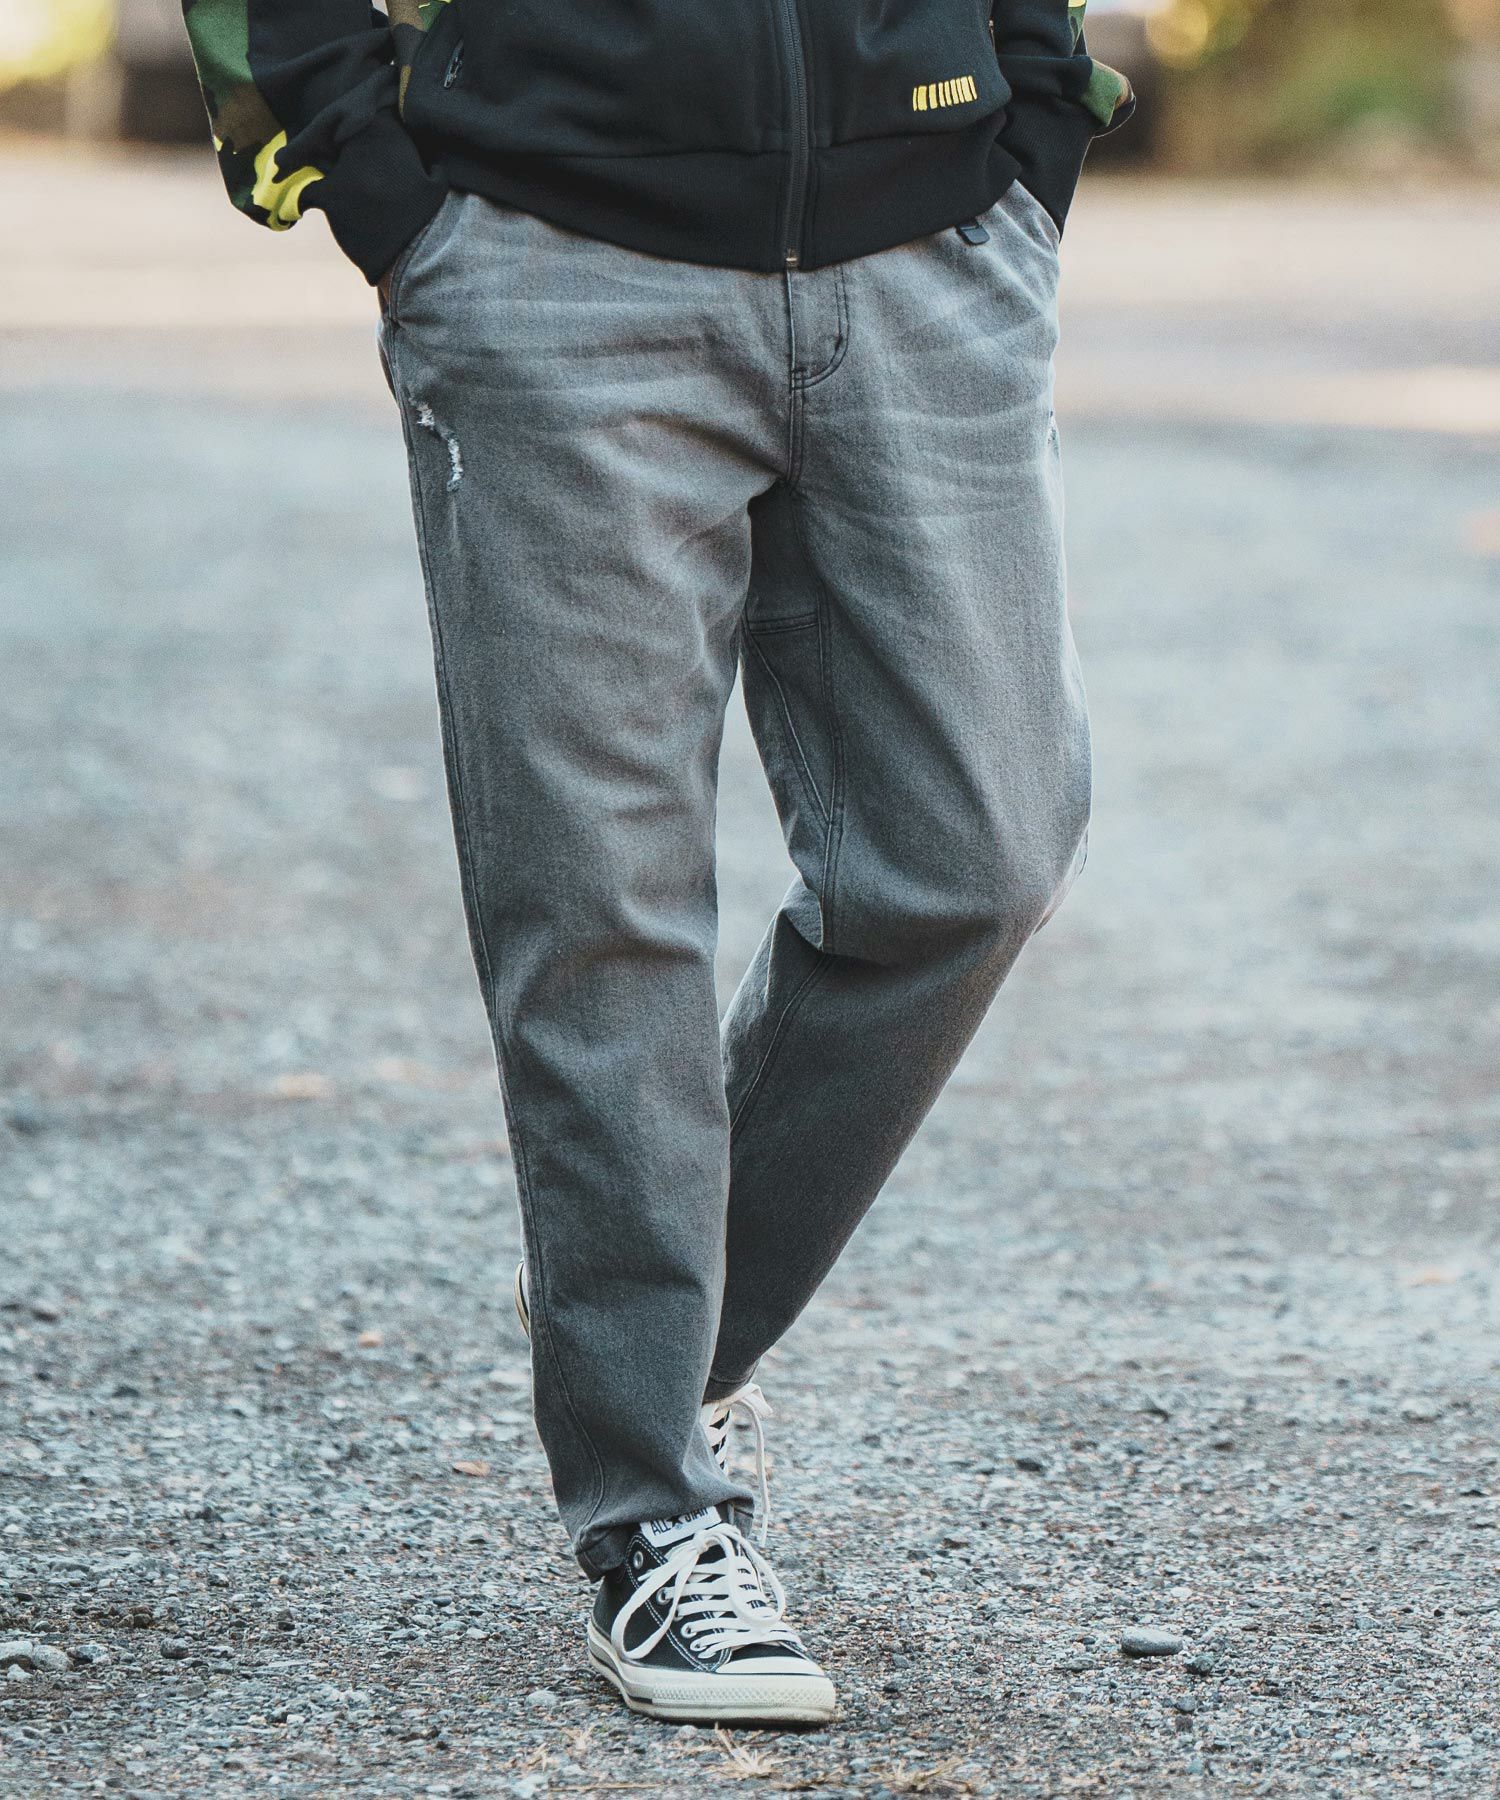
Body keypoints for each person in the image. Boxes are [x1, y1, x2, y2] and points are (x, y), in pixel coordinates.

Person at [182, 0, 1132, 1726]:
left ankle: (643, 1316)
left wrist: (1036, 117)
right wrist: (368, 179)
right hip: (557, 264)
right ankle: (648, 1511)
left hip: (931, 244)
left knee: (980, 851)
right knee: (601, 906)